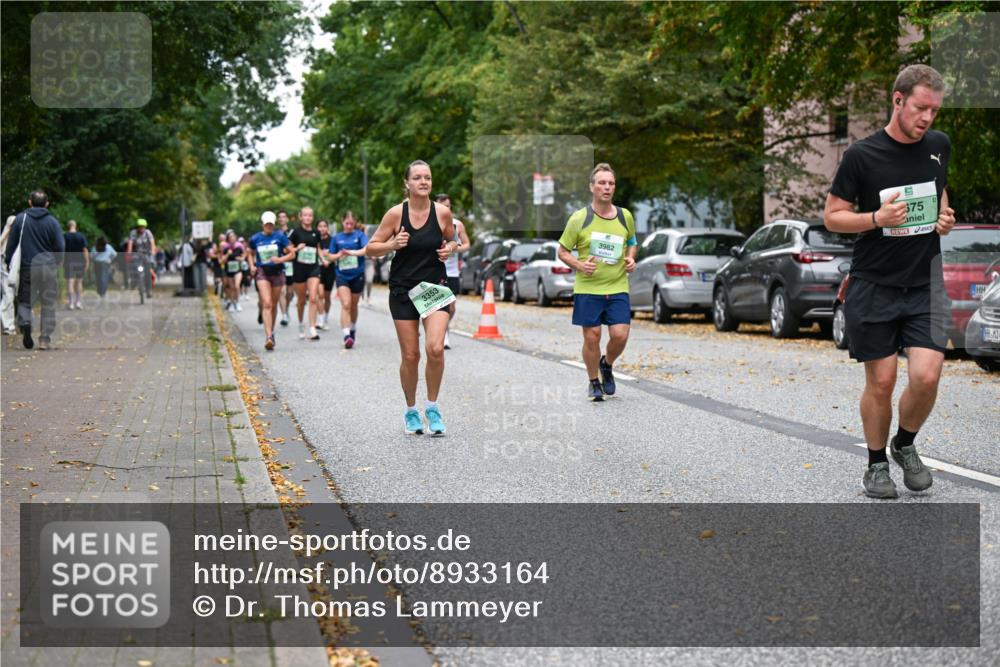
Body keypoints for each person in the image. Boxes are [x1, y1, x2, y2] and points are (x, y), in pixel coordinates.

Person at [823, 64, 955, 499]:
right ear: (898, 101)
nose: (927, 118)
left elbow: (938, 190)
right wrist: (877, 218)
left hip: (924, 283)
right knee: (881, 382)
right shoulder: (861, 156)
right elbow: (833, 216)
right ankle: (876, 464)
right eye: (920, 108)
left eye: (934, 110)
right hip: (874, 283)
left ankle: (905, 443)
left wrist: (944, 216)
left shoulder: (938, 146)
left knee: (927, 375)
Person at [367, 160, 457, 435]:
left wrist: (449, 249)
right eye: (417, 177)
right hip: (403, 290)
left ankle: (432, 407)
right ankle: (410, 411)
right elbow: (371, 248)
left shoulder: (442, 213)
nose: (423, 181)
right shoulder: (396, 214)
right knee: (410, 355)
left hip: (434, 288)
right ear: (407, 183)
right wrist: (392, 244)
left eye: (427, 177)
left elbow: (453, 239)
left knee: (435, 348)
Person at [556, 163, 638, 401]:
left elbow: (632, 242)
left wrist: (631, 258)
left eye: (611, 183)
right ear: (592, 187)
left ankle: (607, 364)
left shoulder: (625, 216)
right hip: (588, 288)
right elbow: (562, 251)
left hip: (617, 286)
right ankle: (593, 382)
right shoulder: (579, 218)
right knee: (592, 337)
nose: (607, 187)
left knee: (620, 335)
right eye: (602, 183)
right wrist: (580, 265)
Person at [3, 190, 66, 350]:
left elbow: (11, 244)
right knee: (48, 303)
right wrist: (58, 261)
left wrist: (9, 263)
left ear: (30, 202)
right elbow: (60, 246)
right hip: (48, 267)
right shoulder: (52, 222)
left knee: (25, 300)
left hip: (27, 267)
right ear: (47, 204)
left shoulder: (20, 219)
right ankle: (44, 339)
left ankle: (25, 324)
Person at [247, 211, 295, 350]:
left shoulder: (280, 236)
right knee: (267, 303)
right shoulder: (255, 238)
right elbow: (249, 253)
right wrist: (252, 266)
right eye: (267, 224)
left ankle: (271, 332)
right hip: (262, 272)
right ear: (262, 224)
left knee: (273, 305)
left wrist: (280, 259)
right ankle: (268, 336)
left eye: (271, 224)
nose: (269, 226)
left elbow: (292, 253)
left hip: (277, 273)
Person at [434, 194, 471, 349]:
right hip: (435, 271)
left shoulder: (457, 224)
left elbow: (466, 244)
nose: (446, 209)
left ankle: (444, 328)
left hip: (452, 272)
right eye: (442, 206)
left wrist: (453, 249)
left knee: (451, 307)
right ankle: (440, 332)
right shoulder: (430, 224)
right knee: (437, 306)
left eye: (448, 206)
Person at [327, 211, 368, 348]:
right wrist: (339, 255)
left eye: (351, 223)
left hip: (357, 274)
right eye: (347, 223)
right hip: (342, 275)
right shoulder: (336, 238)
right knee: (346, 304)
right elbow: (330, 257)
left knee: (353, 306)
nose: (349, 226)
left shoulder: (360, 235)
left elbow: (366, 249)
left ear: (355, 223)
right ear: (342, 222)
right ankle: (346, 335)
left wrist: (351, 252)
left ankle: (353, 328)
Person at [288, 206, 323, 341]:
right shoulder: (295, 232)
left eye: (310, 215)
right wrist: (297, 248)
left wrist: (323, 259)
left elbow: (318, 248)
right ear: (300, 217)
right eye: (305, 215)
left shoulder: (316, 233)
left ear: (312, 217)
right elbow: (287, 250)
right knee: (301, 300)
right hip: (299, 269)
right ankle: (301, 324)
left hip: (313, 268)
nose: (308, 217)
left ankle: (312, 328)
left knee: (313, 297)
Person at [125, 218, 156, 299]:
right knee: (135, 268)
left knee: (148, 272)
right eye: (140, 227)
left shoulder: (148, 232)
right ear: (137, 227)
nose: (141, 228)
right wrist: (129, 253)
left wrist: (153, 251)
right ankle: (135, 281)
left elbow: (152, 243)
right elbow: (130, 244)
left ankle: (149, 290)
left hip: (147, 254)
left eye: (143, 227)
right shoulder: (133, 233)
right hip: (137, 254)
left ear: (145, 227)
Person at [63, 220, 89, 309]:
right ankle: (78, 302)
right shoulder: (81, 236)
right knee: (79, 282)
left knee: (70, 282)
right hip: (80, 261)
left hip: (68, 261)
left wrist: (61, 261)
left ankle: (71, 303)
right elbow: (85, 250)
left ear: (68, 226)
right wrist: (87, 261)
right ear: (75, 226)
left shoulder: (65, 236)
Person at [317, 219, 335, 329]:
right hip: (317, 270)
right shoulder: (315, 239)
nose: (322, 228)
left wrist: (328, 256)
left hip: (330, 270)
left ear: (327, 228)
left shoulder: (332, 240)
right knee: (320, 295)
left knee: (327, 296)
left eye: (324, 226)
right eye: (320, 226)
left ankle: (326, 317)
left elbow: (336, 253)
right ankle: (320, 319)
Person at [1, 215, 18, 333]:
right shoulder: (5, 237)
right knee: (8, 295)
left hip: (14, 267)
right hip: (4, 267)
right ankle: (8, 325)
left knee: (15, 295)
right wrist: (8, 232)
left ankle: (12, 323)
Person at [220, 230, 245, 312]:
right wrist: (228, 254)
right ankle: (231, 303)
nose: (232, 238)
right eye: (230, 237)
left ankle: (237, 302)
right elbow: (222, 261)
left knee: (237, 286)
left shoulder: (239, 246)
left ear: (236, 238)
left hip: (238, 270)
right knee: (231, 288)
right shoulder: (226, 248)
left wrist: (240, 259)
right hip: (229, 270)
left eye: (233, 236)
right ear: (228, 239)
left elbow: (244, 257)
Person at [277, 209, 293, 326]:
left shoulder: (292, 233)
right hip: (280, 264)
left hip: (291, 264)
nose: (282, 219)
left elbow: (295, 247)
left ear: (287, 219)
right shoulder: (275, 234)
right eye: (280, 217)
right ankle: (284, 315)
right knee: (282, 291)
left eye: (284, 217)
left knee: (290, 292)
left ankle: (286, 309)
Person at [92, 236, 117, 301]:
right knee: (104, 277)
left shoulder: (96, 246)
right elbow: (114, 254)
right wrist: (110, 259)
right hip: (106, 263)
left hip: (97, 263)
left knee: (98, 277)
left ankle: (99, 290)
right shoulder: (109, 247)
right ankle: (103, 291)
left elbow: (92, 255)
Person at [363, 224, 377, 303]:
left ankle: (368, 297)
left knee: (369, 280)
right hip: (361, 261)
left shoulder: (372, 239)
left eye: (366, 230)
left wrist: (375, 255)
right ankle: (361, 297)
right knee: (361, 281)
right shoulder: (358, 238)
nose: (365, 231)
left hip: (370, 262)